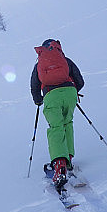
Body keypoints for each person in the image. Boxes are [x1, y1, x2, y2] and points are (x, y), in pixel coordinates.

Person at [30, 39, 84, 190]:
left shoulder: (39, 65)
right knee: (68, 123)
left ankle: (59, 166)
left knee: (56, 127)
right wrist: (73, 91)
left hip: (51, 95)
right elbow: (80, 80)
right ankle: (68, 160)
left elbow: (34, 86)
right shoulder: (65, 60)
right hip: (69, 93)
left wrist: (38, 100)